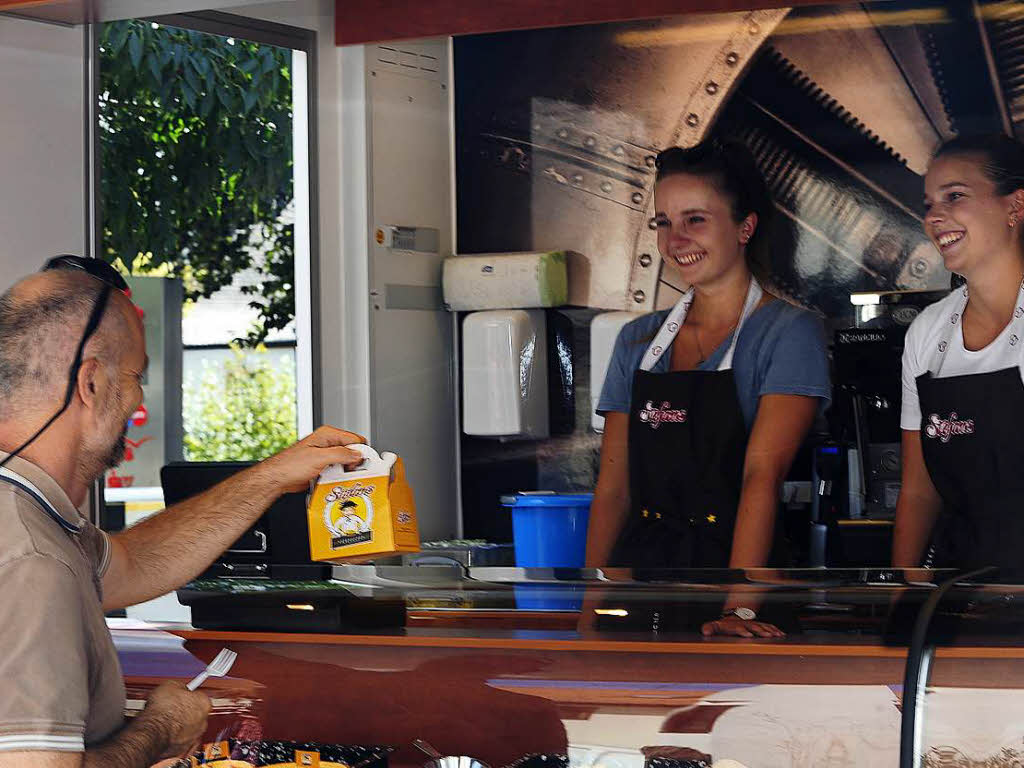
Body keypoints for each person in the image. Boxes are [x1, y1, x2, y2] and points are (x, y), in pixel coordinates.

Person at [0, 257, 364, 768]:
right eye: (134, 376)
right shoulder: (32, 557)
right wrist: (161, 729)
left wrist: (272, 476)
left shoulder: (31, 518)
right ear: (90, 383)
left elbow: (133, 566)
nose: (137, 399)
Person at [586, 139, 831, 637]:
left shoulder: (788, 333)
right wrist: (591, 607)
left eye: (695, 219)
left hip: (739, 589)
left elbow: (762, 477)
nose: (675, 240)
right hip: (642, 586)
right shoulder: (637, 339)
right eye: (663, 222)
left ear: (745, 227)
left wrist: (739, 610)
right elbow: (613, 490)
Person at [893, 134, 1024, 573]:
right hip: (962, 589)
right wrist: (904, 590)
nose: (934, 216)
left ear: (1015, 207)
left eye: (954, 196)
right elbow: (917, 491)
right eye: (929, 203)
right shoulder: (926, 333)